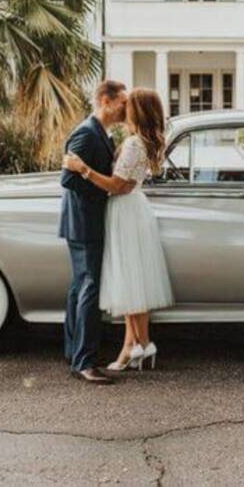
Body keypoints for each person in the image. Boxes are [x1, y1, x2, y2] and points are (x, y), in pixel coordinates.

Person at [63, 88, 175, 372]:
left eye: (129, 104)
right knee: (132, 279)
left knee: (129, 278)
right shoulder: (138, 141)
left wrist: (83, 169)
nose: (125, 109)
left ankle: (141, 344)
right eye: (123, 103)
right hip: (132, 208)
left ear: (138, 110)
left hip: (125, 209)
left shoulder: (134, 143)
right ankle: (134, 346)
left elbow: (118, 185)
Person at [59, 80, 128, 385]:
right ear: (105, 100)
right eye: (122, 102)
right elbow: (68, 179)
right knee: (89, 289)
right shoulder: (86, 133)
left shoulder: (101, 133)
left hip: (85, 221)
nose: (125, 108)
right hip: (85, 221)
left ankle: (74, 353)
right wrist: (105, 191)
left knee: (79, 288)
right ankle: (84, 362)